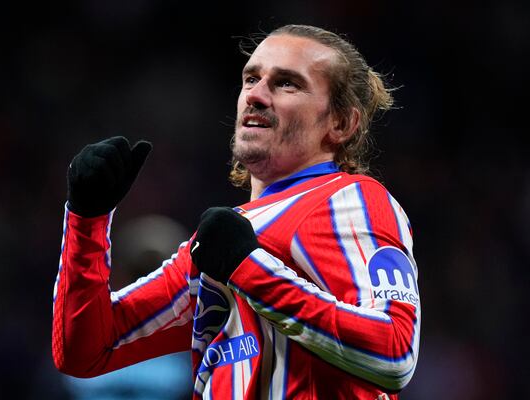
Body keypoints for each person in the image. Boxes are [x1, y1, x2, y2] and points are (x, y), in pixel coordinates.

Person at [52, 24, 420, 399]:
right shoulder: (218, 242)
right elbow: (85, 352)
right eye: (251, 78)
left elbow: (394, 354)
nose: (256, 95)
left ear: (341, 123)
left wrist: (251, 269)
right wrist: (88, 220)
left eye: (287, 83)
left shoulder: (350, 198)